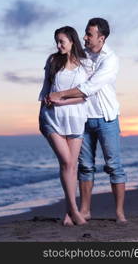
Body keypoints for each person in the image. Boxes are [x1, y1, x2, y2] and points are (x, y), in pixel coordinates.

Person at [48, 18, 127, 223]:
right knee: (85, 166)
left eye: (89, 34)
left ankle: (119, 213)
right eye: (84, 32)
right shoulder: (80, 57)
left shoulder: (111, 59)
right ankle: (84, 211)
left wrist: (60, 95)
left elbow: (89, 88)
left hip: (106, 118)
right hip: (82, 119)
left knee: (114, 166)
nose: (85, 37)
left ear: (101, 38)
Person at [38, 26, 91, 226]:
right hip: (52, 118)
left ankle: (69, 213)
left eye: (62, 41)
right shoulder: (52, 60)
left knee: (71, 165)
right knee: (67, 163)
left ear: (72, 41)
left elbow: (85, 94)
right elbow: (45, 90)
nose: (59, 45)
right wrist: (43, 110)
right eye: (57, 41)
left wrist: (63, 101)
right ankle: (74, 211)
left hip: (76, 117)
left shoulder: (85, 64)